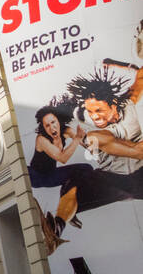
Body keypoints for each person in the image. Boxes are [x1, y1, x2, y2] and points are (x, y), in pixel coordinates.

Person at [41, 68, 143, 252]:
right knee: (72, 184)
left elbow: (139, 79)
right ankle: (57, 228)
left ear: (114, 104)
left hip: (140, 175)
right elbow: (137, 151)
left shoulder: (127, 104)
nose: (95, 117)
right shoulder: (97, 135)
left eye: (99, 110)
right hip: (114, 179)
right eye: (91, 112)